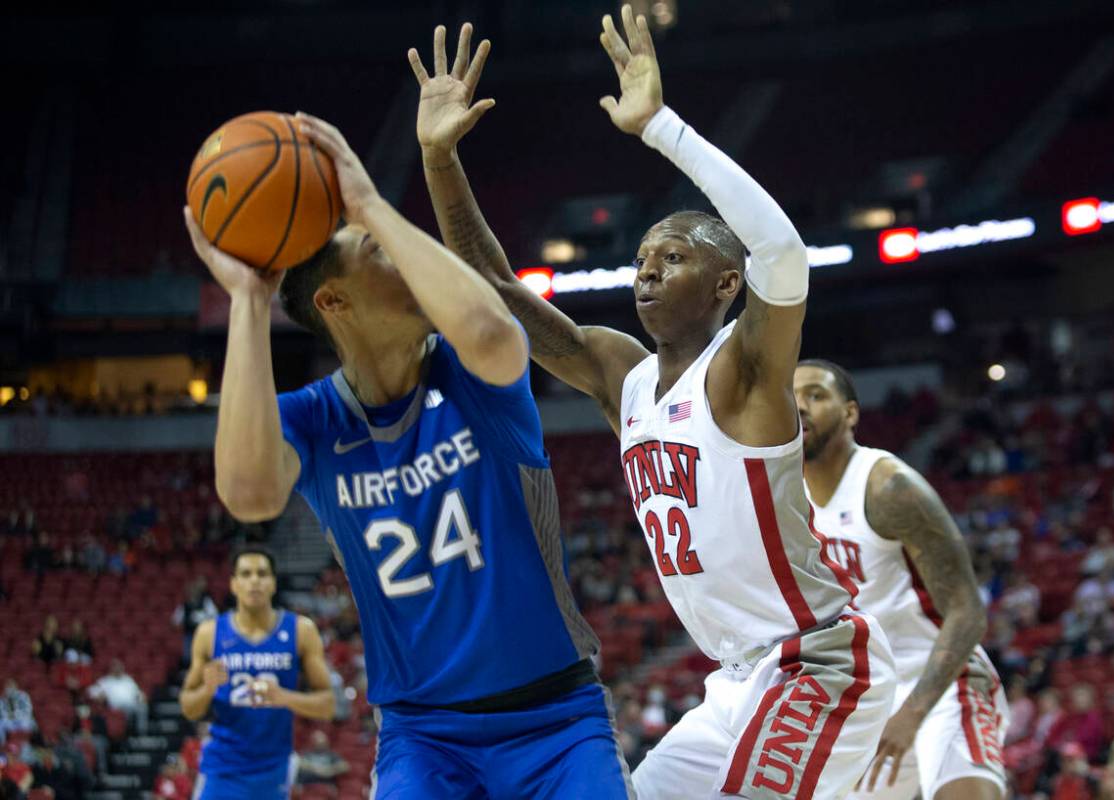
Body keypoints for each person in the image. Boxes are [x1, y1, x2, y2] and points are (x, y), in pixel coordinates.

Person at [418, 10, 895, 798]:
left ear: (725, 285)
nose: (646, 270)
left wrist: (661, 127)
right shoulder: (621, 374)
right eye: (641, 259)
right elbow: (498, 293)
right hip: (735, 681)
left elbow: (782, 252)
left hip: (815, 663)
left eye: (673, 257)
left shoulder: (742, 368)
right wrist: (439, 160)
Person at [181, 74, 632, 797]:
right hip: (424, 738)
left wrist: (370, 206)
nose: (408, 255)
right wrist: (247, 300)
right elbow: (248, 494)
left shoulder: (470, 374)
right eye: (381, 251)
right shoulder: (313, 419)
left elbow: (491, 324)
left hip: (557, 721)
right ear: (334, 302)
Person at [797, 360, 1008, 800]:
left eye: (815, 395)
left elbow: (967, 611)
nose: (799, 407)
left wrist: (912, 713)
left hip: (944, 682)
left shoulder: (888, 487)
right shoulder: (787, 504)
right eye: (791, 397)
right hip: (867, 700)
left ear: (851, 412)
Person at [179, 546, 333, 800]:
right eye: (246, 574)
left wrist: (283, 697)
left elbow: (327, 705)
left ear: (273, 583)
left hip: (273, 768)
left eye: (262, 574)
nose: (254, 581)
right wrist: (207, 689)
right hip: (222, 768)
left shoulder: (301, 631)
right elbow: (188, 708)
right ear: (233, 584)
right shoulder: (209, 633)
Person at [88, 659, 149, 735]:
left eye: (120, 667)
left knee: (143, 707)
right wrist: (100, 696)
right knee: (124, 713)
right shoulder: (106, 681)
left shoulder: (128, 680)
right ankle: (127, 732)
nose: (118, 669)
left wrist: (141, 697)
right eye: (116, 667)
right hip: (114, 706)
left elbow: (138, 693)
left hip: (130, 705)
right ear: (111, 668)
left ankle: (141, 732)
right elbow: (91, 691)